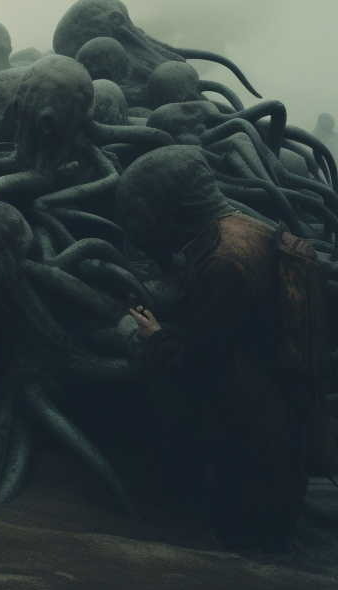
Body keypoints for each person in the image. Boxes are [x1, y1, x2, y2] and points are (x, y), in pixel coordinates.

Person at [118, 146, 337, 546]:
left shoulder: (224, 263)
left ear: (167, 207)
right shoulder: (257, 230)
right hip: (291, 426)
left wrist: (155, 337)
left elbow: (195, 366)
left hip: (251, 450)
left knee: (246, 547)